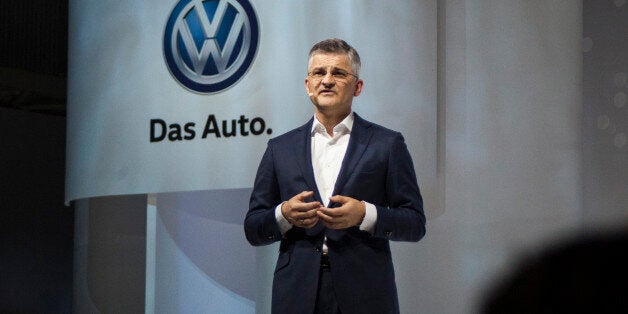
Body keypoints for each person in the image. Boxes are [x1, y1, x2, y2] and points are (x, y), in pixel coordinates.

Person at [244, 38, 426, 314]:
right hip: (296, 294)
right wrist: (284, 215)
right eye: (319, 73)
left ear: (358, 87)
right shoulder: (280, 149)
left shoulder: (387, 144)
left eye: (338, 73)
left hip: (366, 292)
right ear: (308, 85)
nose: (327, 80)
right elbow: (253, 227)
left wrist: (366, 214)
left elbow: (414, 222)